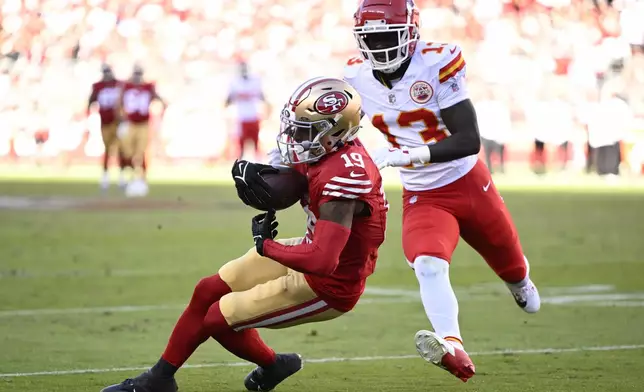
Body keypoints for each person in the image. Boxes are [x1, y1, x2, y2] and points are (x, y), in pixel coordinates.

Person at [100, 77, 387, 392]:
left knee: (216, 319)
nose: (294, 135)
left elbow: (323, 261)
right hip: (310, 249)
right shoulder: (327, 150)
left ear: (335, 131)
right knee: (207, 289)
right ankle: (159, 378)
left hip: (330, 284)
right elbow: (295, 183)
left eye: (305, 129)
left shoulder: (344, 177)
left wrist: (267, 246)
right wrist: (259, 179)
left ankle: (273, 364)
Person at [344, 0, 541, 382]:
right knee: (428, 265)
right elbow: (330, 126)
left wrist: (403, 156)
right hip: (424, 195)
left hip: (468, 182)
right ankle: (453, 344)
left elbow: (468, 140)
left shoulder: (436, 61)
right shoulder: (354, 76)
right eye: (372, 37)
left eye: (388, 34)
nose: (380, 44)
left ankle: (519, 283)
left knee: (514, 270)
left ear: (410, 31)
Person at [118, 65, 166, 197]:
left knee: (142, 152)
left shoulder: (148, 87)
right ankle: (131, 176)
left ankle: (142, 178)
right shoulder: (126, 87)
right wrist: (121, 119)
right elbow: (119, 103)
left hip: (143, 124)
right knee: (127, 151)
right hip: (130, 123)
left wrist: (161, 116)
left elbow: (160, 100)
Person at [88, 64, 126, 189]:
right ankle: (105, 176)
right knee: (108, 150)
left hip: (117, 122)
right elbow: (91, 101)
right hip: (105, 123)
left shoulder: (119, 85)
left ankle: (121, 176)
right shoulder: (98, 86)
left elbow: (125, 102)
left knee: (121, 149)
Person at [225, 61, 270, 160]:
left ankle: (258, 165)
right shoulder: (234, 82)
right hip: (241, 117)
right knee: (240, 146)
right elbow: (228, 100)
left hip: (253, 115)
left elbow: (263, 97)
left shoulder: (256, 80)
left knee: (256, 144)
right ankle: (240, 165)